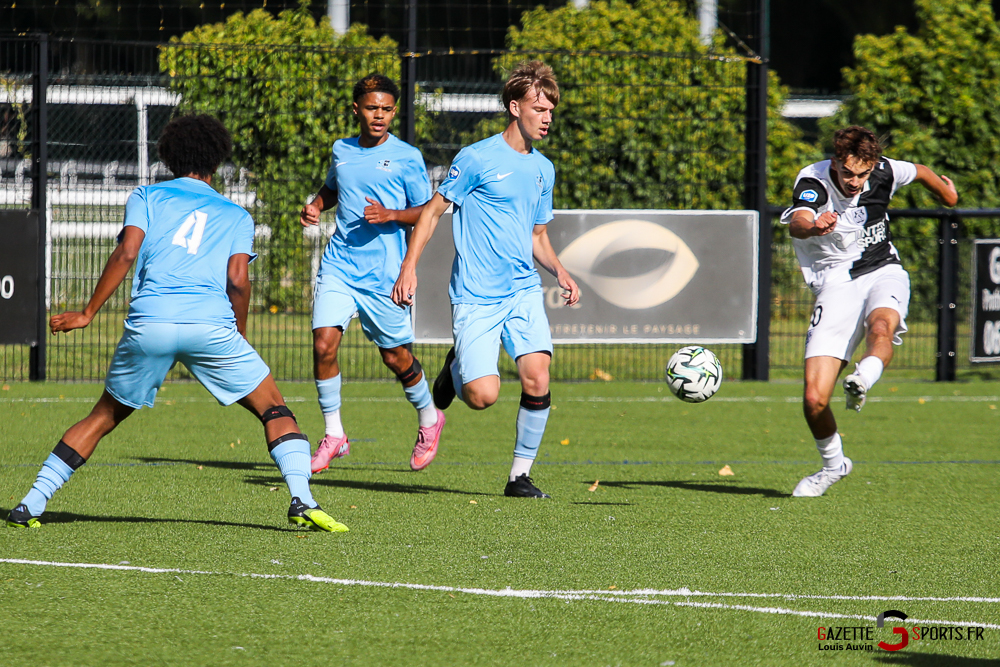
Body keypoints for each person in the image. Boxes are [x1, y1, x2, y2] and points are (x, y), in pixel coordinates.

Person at [6, 114, 347, 532]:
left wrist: (88, 312)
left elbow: (127, 253)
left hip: (152, 322)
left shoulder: (146, 196)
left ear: (169, 156)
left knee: (104, 415)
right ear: (216, 160)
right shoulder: (236, 215)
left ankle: (29, 504)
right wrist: (237, 335)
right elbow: (238, 280)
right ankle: (302, 499)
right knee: (274, 408)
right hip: (211, 327)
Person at [391, 60, 580, 499]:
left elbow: (537, 235)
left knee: (538, 376)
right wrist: (408, 267)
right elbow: (433, 212)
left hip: (523, 291)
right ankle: (455, 369)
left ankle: (519, 477)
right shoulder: (476, 157)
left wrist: (562, 271)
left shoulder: (543, 170)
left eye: (551, 109)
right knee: (482, 396)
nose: (547, 117)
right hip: (477, 296)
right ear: (515, 108)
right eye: (539, 108)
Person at [781, 125, 958, 497]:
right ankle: (833, 466)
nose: (854, 181)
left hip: (882, 269)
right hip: (835, 283)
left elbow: (922, 172)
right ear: (835, 163)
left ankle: (863, 379)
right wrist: (813, 227)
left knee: (881, 326)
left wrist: (948, 195)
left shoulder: (885, 172)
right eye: (847, 173)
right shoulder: (813, 179)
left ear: (873, 165)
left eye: (862, 173)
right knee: (814, 400)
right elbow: (797, 221)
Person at [300, 74, 444, 474]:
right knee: (324, 344)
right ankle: (334, 434)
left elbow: (430, 211)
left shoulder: (408, 157)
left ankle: (430, 419)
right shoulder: (341, 150)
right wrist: (315, 204)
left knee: (396, 357)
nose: (378, 115)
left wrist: (392, 215)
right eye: (370, 108)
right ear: (356, 110)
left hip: (384, 276)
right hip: (340, 266)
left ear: (393, 111)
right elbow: (334, 188)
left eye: (385, 109)